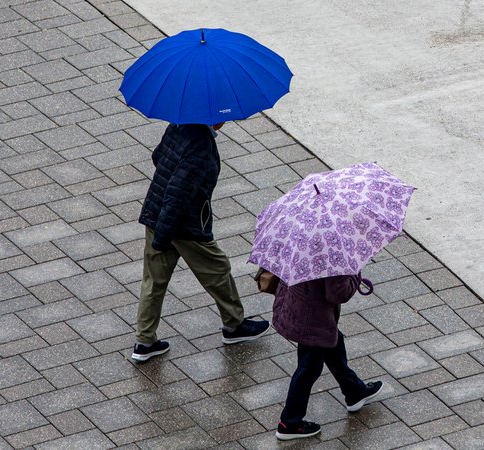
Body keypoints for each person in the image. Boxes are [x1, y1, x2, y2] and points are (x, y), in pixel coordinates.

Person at [131, 122, 269, 362]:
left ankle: (144, 342)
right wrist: (165, 236)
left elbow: (158, 156)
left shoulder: (178, 123)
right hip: (183, 224)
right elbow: (179, 194)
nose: (225, 121)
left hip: (155, 213)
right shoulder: (201, 145)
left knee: (153, 281)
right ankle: (234, 325)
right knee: (218, 269)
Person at [272, 273, 383, 440]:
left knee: (334, 344)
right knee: (309, 368)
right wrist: (355, 275)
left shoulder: (306, 247)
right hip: (313, 319)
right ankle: (289, 423)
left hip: (299, 305)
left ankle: (354, 391)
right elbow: (338, 293)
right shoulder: (332, 254)